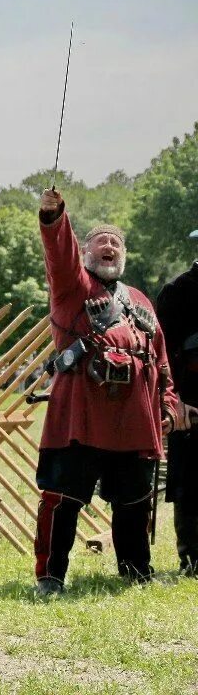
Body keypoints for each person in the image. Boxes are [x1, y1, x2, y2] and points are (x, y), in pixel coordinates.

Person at [33, 189, 179, 596]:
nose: (110, 246)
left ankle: (135, 570)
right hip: (81, 413)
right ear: (86, 252)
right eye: (101, 241)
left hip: (134, 420)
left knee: (133, 500)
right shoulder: (72, 286)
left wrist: (166, 406)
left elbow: (161, 359)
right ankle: (51, 577)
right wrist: (54, 219)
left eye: (116, 242)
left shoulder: (140, 300)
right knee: (63, 500)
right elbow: (59, 254)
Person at [155, 228, 198, 576]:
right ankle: (193, 557)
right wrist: (176, 400)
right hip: (191, 403)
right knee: (191, 482)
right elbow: (163, 355)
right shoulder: (178, 292)